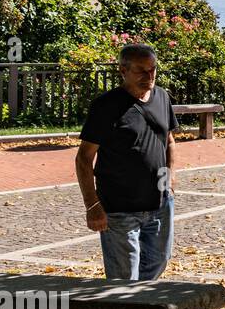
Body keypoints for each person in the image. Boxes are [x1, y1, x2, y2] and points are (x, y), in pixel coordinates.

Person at [75, 43, 179, 280]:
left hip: (160, 204)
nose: (149, 76)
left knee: (158, 261)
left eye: (153, 69)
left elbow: (169, 141)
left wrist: (169, 180)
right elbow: (84, 158)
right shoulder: (106, 106)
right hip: (119, 209)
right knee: (124, 279)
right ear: (123, 71)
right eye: (141, 71)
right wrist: (92, 205)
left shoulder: (162, 97)